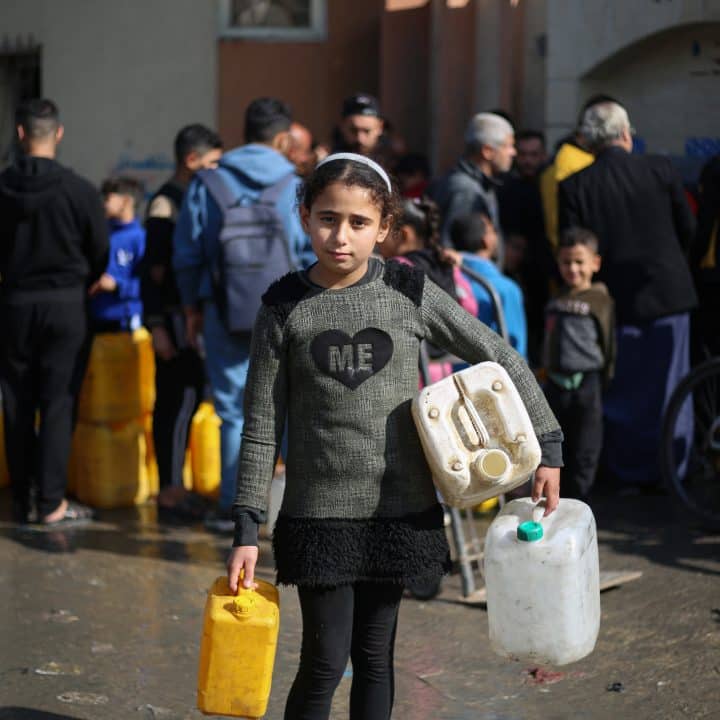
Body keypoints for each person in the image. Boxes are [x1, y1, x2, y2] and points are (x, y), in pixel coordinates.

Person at [226, 153, 562, 719]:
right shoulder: (282, 308)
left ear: (384, 228)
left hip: (400, 509)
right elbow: (262, 428)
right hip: (319, 514)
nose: (341, 236)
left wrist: (546, 445)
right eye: (328, 218)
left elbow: (498, 354)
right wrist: (245, 528)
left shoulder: (408, 290)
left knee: (377, 659)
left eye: (359, 223)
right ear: (305, 217)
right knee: (325, 663)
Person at [173, 97, 314, 532]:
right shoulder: (296, 184)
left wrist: (192, 307)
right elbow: (311, 248)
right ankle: (302, 509)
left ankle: (236, 512)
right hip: (288, 309)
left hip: (224, 310)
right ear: (281, 138)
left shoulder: (208, 183)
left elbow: (188, 252)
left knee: (234, 411)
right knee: (292, 406)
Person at [559, 101, 697, 489]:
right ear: (625, 135)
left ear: (588, 141)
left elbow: (575, 247)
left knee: (620, 389)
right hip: (667, 294)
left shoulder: (574, 185)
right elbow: (687, 228)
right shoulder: (661, 169)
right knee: (672, 388)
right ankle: (672, 470)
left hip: (608, 302)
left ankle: (626, 472)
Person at [0, 98, 108, 525]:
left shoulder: (1, 187)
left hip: (13, 303)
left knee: (16, 402)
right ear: (57, 134)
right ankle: (51, 502)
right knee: (59, 402)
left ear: (21, 133)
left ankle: (23, 497)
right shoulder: (79, 190)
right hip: (67, 304)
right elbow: (99, 250)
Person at [142, 124, 222, 518]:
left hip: (186, 320)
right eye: (211, 164)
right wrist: (156, 325)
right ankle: (169, 490)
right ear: (191, 161)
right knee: (174, 402)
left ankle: (177, 484)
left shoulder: (193, 199)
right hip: (170, 322)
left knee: (189, 400)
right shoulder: (166, 205)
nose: (216, 172)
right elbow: (152, 273)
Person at [543, 227, 615, 499]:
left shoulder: (600, 300)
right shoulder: (556, 299)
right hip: (555, 384)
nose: (572, 269)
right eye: (566, 262)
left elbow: (608, 344)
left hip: (587, 383)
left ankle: (580, 500)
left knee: (586, 448)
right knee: (556, 445)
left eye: (579, 262)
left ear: (595, 263)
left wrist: (605, 377)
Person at [378, 197, 478, 381]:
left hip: (411, 370)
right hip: (444, 366)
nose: (378, 240)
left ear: (404, 235)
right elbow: (470, 307)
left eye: (383, 230)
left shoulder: (397, 267)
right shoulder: (446, 263)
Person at [498, 129, 553, 364]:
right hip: (513, 269)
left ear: (543, 155)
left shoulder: (549, 185)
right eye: (523, 154)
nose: (528, 160)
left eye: (535, 154)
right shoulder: (505, 187)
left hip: (543, 270)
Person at [430, 112, 516, 253]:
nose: (513, 152)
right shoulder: (465, 190)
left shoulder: (482, 185)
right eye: (508, 146)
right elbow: (450, 248)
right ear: (487, 151)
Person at [450, 213, 527, 358]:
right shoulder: (505, 289)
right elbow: (515, 350)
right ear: (486, 240)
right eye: (493, 231)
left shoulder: (442, 279)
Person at [89, 177, 145, 332]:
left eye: (107, 198)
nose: (103, 204)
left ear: (126, 201)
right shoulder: (99, 234)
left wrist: (117, 286)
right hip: (95, 318)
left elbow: (147, 286)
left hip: (125, 321)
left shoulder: (140, 238)